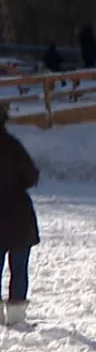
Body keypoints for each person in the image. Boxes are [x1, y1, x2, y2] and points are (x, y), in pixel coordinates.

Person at [0, 104, 39, 327]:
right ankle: (16, 318)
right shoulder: (13, 146)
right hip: (18, 215)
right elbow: (31, 175)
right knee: (19, 268)